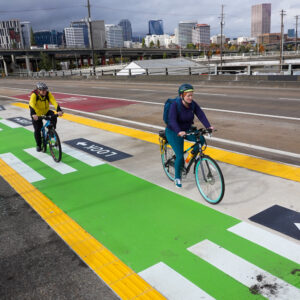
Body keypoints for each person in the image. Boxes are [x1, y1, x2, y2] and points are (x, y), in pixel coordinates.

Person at [166, 83, 213, 188]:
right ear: (182, 96)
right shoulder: (175, 105)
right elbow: (172, 120)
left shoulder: (192, 104)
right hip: (174, 131)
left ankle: (190, 158)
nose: (191, 97)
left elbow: (200, 114)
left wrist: (208, 127)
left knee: (201, 140)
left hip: (187, 129)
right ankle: (177, 177)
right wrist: (179, 131)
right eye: (188, 96)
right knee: (179, 155)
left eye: (192, 95)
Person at [29, 82, 63, 152]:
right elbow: (31, 104)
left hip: (46, 112)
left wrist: (59, 110)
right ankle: (38, 144)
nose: (45, 91)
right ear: (38, 90)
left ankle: (51, 130)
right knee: (37, 130)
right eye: (42, 90)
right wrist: (33, 114)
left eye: (45, 90)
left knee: (53, 115)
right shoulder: (34, 95)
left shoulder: (48, 94)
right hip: (36, 114)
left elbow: (54, 101)